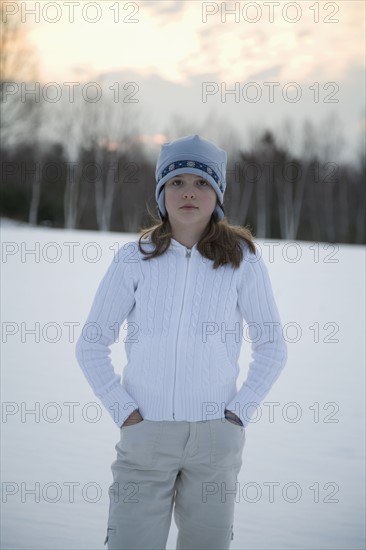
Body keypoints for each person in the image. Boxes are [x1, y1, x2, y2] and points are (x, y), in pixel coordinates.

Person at [75, 134, 288, 549]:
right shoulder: (133, 258)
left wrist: (238, 414)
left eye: (202, 182)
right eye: (176, 182)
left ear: (217, 194)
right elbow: (91, 343)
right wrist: (124, 411)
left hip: (215, 439)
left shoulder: (242, 259)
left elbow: (273, 346)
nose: (189, 191)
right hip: (145, 434)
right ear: (161, 192)